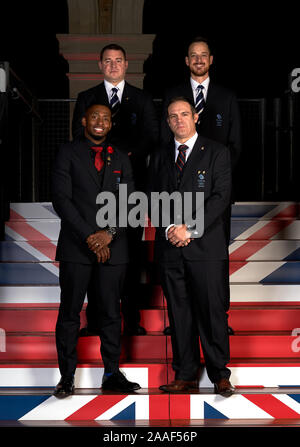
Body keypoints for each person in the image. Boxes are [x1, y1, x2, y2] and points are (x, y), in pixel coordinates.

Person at [52, 104, 141, 397]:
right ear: (84, 121)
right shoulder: (68, 152)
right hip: (76, 247)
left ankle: (112, 374)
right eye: (94, 117)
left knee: (111, 314)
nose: (100, 122)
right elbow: (62, 200)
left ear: (110, 124)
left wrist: (108, 235)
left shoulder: (122, 158)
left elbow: (129, 203)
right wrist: (91, 236)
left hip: (113, 249)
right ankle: (67, 376)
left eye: (105, 118)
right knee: (69, 313)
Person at [149, 97, 235, 396]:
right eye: (173, 116)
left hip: (206, 249)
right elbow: (153, 197)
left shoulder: (216, 152)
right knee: (179, 313)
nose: (179, 120)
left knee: (211, 311)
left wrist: (190, 229)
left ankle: (219, 374)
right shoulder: (160, 155)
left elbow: (220, 198)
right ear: (168, 121)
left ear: (195, 116)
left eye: (184, 114)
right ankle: (185, 374)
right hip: (172, 248)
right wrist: (172, 229)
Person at [72, 43, 159, 336]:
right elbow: (78, 138)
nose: (112, 65)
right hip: (95, 192)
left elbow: (151, 138)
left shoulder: (143, 99)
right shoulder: (87, 98)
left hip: (131, 188)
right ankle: (95, 320)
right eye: (107, 61)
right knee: (97, 252)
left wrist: (120, 158)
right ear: (100, 65)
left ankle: (131, 320)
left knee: (130, 255)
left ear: (126, 64)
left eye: (118, 60)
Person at [161, 36, 241, 336]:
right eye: (193, 55)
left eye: (203, 55)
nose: (198, 60)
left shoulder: (226, 96)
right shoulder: (174, 95)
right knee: (178, 257)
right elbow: (163, 143)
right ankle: (180, 320)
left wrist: (218, 178)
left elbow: (236, 145)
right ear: (186, 60)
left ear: (211, 59)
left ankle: (220, 316)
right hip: (179, 189)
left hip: (215, 190)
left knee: (215, 255)